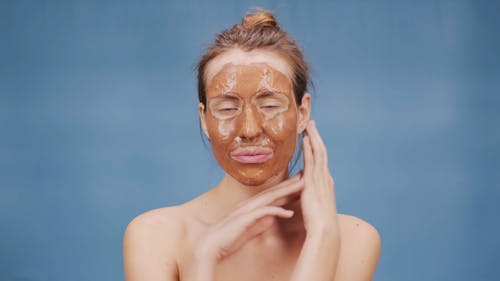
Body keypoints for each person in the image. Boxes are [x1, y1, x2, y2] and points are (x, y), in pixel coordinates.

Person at [123, 10, 381, 281]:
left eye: (270, 105)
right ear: (204, 118)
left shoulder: (352, 238)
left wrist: (323, 239)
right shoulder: (155, 235)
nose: (249, 129)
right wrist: (203, 258)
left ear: (302, 113)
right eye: (226, 108)